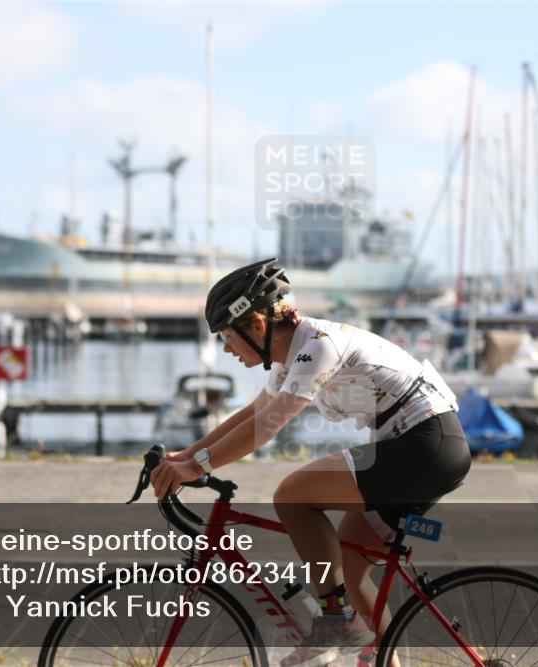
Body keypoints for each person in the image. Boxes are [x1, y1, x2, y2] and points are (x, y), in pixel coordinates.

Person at [151, 258, 471, 666]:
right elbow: (254, 411)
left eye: (228, 336)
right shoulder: (292, 354)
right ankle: (375, 649)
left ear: (258, 327)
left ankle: (336, 621)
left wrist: (196, 468)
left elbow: (267, 425)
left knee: (292, 495)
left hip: (426, 446)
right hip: (418, 447)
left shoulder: (318, 347)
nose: (227, 349)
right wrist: (188, 455)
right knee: (351, 570)